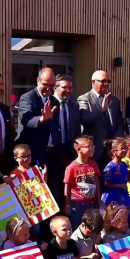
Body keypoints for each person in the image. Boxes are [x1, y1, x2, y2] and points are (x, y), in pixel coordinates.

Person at [48, 74, 81, 207]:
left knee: (67, 188)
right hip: (52, 153)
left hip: (69, 153)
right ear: (55, 87)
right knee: (54, 189)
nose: (68, 90)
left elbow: (77, 129)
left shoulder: (74, 105)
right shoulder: (48, 102)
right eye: (64, 87)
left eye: (70, 87)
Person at [78, 70, 124, 166]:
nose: (106, 84)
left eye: (108, 81)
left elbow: (119, 123)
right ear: (93, 82)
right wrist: (101, 110)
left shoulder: (114, 100)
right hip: (94, 149)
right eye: (103, 81)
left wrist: (117, 142)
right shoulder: (84, 99)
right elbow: (85, 120)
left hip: (111, 150)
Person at [15, 67, 59, 168]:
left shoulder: (54, 101)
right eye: (45, 84)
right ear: (38, 81)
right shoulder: (27, 97)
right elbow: (27, 119)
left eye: (51, 85)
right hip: (31, 152)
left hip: (49, 152)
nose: (48, 88)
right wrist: (41, 119)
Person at [64, 135, 103, 230]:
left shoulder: (93, 164)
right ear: (79, 149)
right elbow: (67, 187)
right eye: (88, 147)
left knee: (92, 225)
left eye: (92, 146)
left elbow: (96, 183)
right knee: (77, 225)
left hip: (91, 203)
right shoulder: (71, 167)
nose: (92, 149)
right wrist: (67, 205)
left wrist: (99, 200)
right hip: (77, 204)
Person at [101, 138, 130, 207]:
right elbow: (106, 184)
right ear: (114, 151)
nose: (125, 150)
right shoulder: (110, 167)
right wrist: (119, 185)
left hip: (124, 194)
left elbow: (126, 178)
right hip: (113, 196)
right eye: (122, 148)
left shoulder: (124, 164)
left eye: (126, 148)